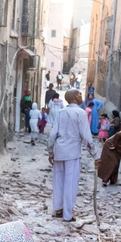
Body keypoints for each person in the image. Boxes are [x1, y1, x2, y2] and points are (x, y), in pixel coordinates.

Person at [47, 89, 98, 222]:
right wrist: (95, 155)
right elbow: (86, 137)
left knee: (58, 181)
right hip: (72, 153)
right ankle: (67, 215)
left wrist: (50, 152)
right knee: (70, 183)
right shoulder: (80, 113)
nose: (82, 96)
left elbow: (52, 135)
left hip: (59, 151)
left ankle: (58, 209)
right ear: (75, 97)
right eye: (80, 94)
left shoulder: (61, 113)